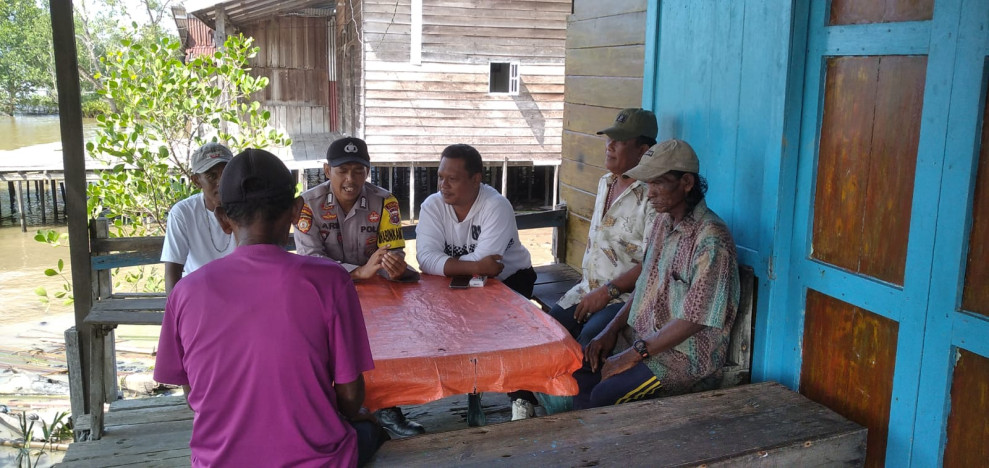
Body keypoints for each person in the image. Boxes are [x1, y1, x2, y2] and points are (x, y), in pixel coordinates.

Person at [154, 149, 388, 467]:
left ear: (224, 219)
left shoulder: (184, 293)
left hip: (218, 461)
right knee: (371, 429)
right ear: (295, 211)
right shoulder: (329, 280)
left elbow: (192, 400)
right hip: (317, 460)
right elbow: (350, 398)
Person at [575, 139, 740, 410]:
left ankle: (608, 449)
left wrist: (633, 354)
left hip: (683, 359)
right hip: (646, 340)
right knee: (582, 366)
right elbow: (645, 286)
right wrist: (611, 330)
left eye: (657, 183)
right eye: (648, 184)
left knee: (605, 395)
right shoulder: (662, 224)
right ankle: (590, 446)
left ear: (686, 183)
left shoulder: (711, 240)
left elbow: (693, 320)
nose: (649, 193)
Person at [294, 136, 424, 438]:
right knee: (327, 352)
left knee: (385, 346)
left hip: (376, 294)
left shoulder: (384, 201)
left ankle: (389, 409)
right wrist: (359, 272)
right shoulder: (307, 206)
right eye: (342, 171)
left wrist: (394, 266)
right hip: (324, 295)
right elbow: (311, 264)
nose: (350, 179)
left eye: (358, 170)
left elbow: (393, 251)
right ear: (327, 171)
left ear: (367, 171)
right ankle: (331, 411)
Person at [415, 143, 538, 420]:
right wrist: (474, 266)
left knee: (510, 331)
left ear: (475, 179)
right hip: (459, 281)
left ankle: (521, 397)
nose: (443, 185)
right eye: (440, 177)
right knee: (438, 324)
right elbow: (424, 259)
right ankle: (472, 384)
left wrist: (452, 265)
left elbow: (490, 267)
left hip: (511, 279)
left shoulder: (496, 205)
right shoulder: (433, 206)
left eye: (452, 179)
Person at [548, 108, 659, 346]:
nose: (609, 146)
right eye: (609, 139)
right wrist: (594, 292)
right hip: (587, 289)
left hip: (626, 298)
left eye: (619, 141)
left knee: (591, 340)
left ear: (643, 150)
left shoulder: (654, 196)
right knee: (549, 331)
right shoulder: (605, 183)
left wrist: (607, 292)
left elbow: (652, 264)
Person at [161, 142, 237, 294]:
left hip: (240, 292)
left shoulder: (248, 207)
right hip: (199, 294)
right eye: (212, 176)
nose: (221, 183)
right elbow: (173, 272)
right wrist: (175, 313)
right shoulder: (183, 213)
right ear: (196, 181)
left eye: (226, 174)